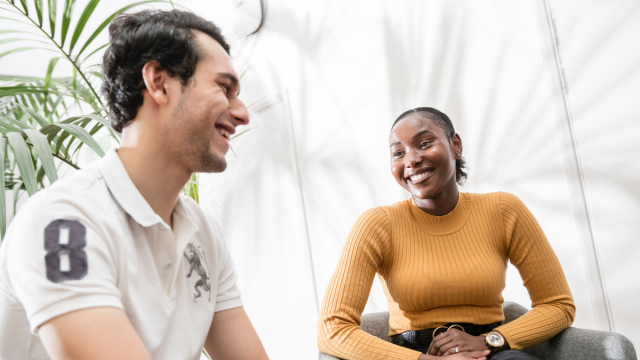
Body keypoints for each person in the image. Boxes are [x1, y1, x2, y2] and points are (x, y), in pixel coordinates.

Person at [0, 10, 269, 360]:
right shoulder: (62, 222)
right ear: (158, 82)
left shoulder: (203, 233)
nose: (242, 112)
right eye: (224, 87)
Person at [317, 107, 575, 360]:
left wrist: (490, 340)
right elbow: (332, 329)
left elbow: (558, 305)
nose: (411, 160)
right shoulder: (377, 224)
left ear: (456, 145)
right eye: (398, 153)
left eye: (425, 143)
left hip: (491, 351)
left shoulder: (503, 210)